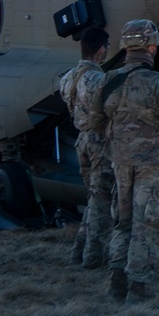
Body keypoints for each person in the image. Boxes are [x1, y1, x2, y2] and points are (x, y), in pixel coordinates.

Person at [89, 20, 159, 303]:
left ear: (126, 47)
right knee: (148, 223)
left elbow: (92, 121)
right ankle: (139, 287)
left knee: (123, 222)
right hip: (153, 165)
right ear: (152, 47)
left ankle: (117, 279)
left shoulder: (107, 80)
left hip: (120, 163)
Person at [60, 26, 113, 269]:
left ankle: (77, 253)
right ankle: (92, 258)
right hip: (99, 143)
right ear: (101, 51)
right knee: (101, 203)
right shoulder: (99, 80)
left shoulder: (68, 77)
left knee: (93, 200)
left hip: (81, 140)